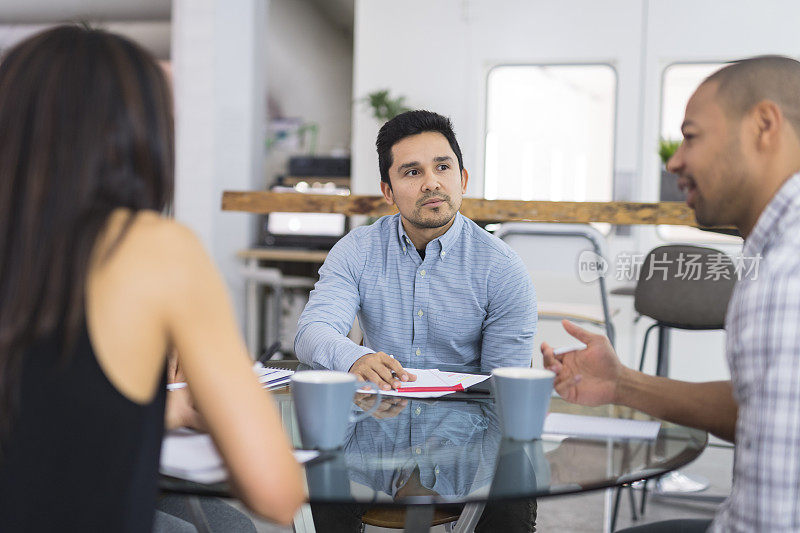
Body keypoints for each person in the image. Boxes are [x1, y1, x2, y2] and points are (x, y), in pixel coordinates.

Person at [0, 25, 304, 531]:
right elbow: (275, 490)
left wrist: (165, 406)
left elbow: (39, 407)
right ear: (139, 134)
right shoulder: (154, 248)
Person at [542, 55, 800, 532]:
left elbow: (768, 522)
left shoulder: (786, 271)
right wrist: (623, 384)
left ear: (764, 125)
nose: (675, 160)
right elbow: (767, 411)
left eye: (691, 135)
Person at [295, 110, 537, 389]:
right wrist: (355, 359)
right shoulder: (357, 250)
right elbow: (312, 332)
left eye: (443, 167)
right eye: (412, 172)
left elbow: (505, 389)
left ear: (463, 180)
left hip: (462, 427)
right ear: (388, 192)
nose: (431, 183)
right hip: (378, 421)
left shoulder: (503, 269)